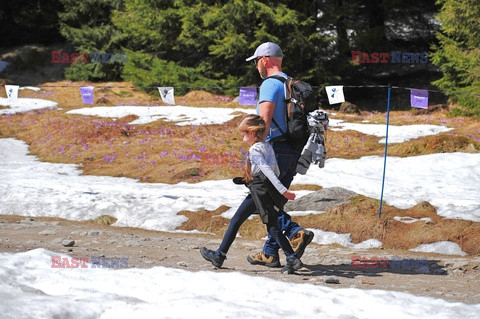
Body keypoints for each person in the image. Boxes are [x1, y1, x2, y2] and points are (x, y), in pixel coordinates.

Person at [200, 42, 314, 269]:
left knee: (265, 204)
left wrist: (253, 155)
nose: (256, 66)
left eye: (256, 61)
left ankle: (294, 232)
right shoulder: (289, 83)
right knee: (272, 204)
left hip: (273, 152)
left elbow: (263, 123)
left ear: (265, 60)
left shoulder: (270, 84)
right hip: (293, 150)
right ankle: (270, 253)